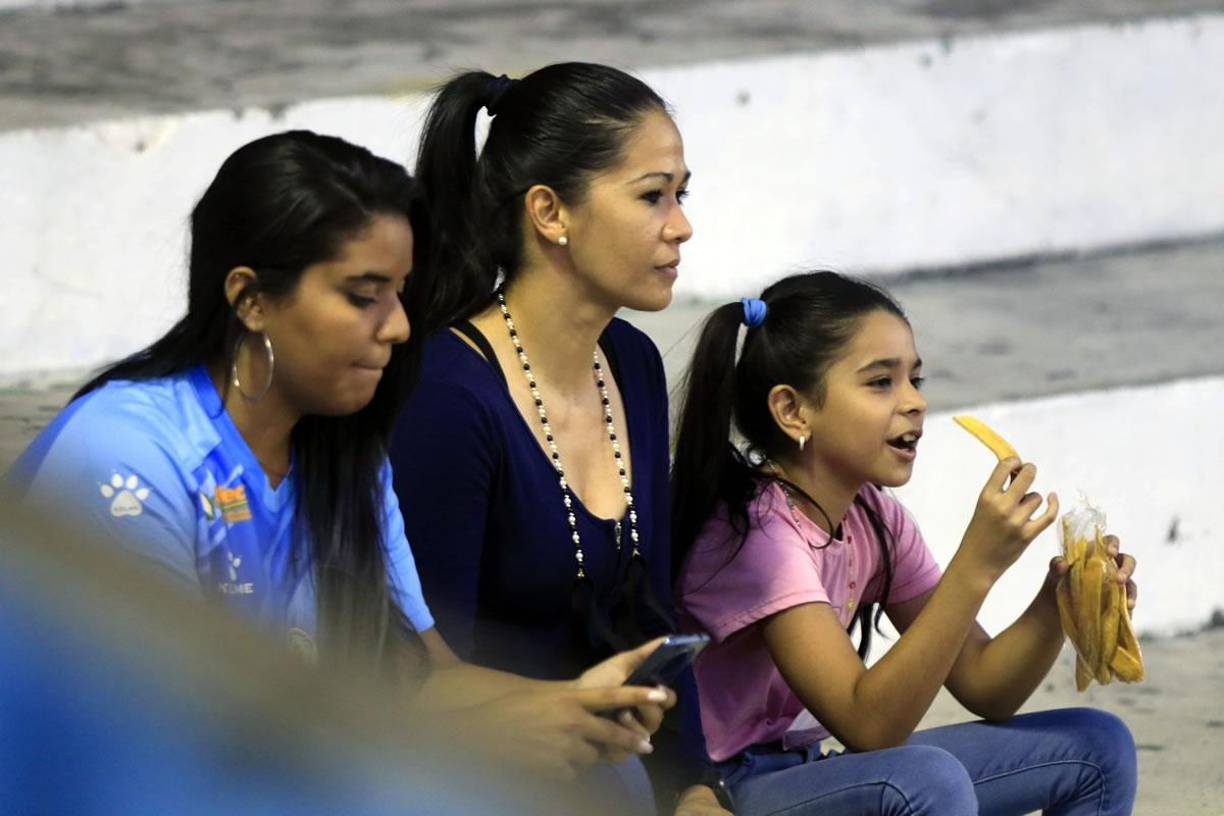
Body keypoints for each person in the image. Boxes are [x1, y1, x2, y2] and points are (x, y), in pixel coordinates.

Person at [7, 129, 676, 787]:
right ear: (251, 299)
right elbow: (163, 738)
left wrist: (570, 705)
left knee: (609, 772)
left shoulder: (344, 452)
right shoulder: (127, 453)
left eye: (400, 293)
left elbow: (424, 675)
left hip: (267, 769)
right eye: (363, 296)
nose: (400, 326)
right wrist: (486, 735)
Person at [670, 271, 1139, 815]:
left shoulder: (874, 516)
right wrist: (976, 567)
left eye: (915, 378)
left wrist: (1062, 600)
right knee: (923, 780)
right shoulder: (761, 535)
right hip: (721, 792)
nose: (914, 401)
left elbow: (986, 684)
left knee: (1097, 747)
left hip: (810, 770)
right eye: (880, 382)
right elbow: (870, 725)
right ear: (794, 410)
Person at [390, 65, 728, 814]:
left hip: (616, 758)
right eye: (652, 196)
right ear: (550, 212)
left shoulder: (631, 362)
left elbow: (653, 620)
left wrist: (695, 786)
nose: (681, 225)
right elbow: (419, 675)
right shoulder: (449, 395)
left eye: (682, 195)